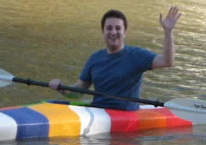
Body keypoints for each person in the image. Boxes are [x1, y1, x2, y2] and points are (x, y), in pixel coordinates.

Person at [49, 6, 181, 110]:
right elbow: (77, 93)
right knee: (51, 103)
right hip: (99, 111)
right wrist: (61, 88)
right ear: (103, 33)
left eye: (118, 28)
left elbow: (167, 61)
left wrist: (168, 32)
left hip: (125, 114)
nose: (113, 32)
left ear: (125, 33)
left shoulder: (137, 55)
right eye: (109, 28)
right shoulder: (94, 59)